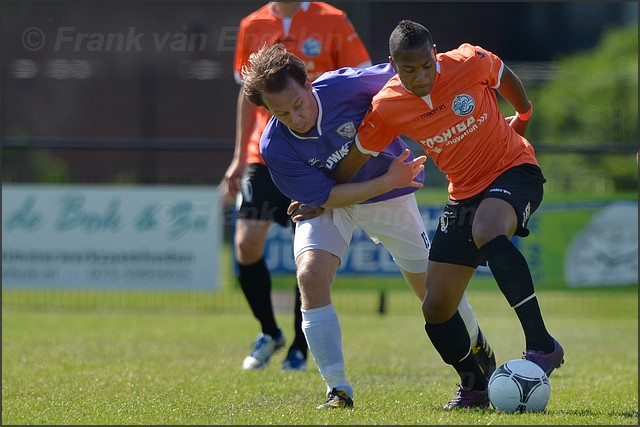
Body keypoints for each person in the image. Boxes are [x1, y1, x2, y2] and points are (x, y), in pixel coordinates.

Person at [242, 43, 496, 409]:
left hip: (389, 198)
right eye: (280, 113)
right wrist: (388, 180)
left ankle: (476, 342)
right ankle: (337, 389)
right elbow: (326, 197)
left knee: (434, 293)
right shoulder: (275, 146)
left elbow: (413, 78)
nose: (295, 118)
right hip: (339, 201)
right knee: (311, 276)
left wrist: (470, 118)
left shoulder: (347, 86)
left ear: (309, 84)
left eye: (298, 105)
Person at [336, 20, 565, 410]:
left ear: (435, 52)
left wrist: (524, 115)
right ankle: (475, 386)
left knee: (489, 227)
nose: (421, 76)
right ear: (393, 64)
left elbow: (503, 75)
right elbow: (352, 161)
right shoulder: (387, 106)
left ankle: (542, 344)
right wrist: (317, 194)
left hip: (515, 169)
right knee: (436, 305)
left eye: (427, 64)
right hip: (463, 194)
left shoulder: (467, 60)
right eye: (409, 69)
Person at [219, 2, 372, 372]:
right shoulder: (252, 24)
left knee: (308, 249)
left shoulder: (333, 20)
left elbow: (361, 80)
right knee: (245, 242)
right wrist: (239, 156)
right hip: (265, 151)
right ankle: (270, 333)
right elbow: (246, 94)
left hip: (316, 151)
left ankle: (301, 348)